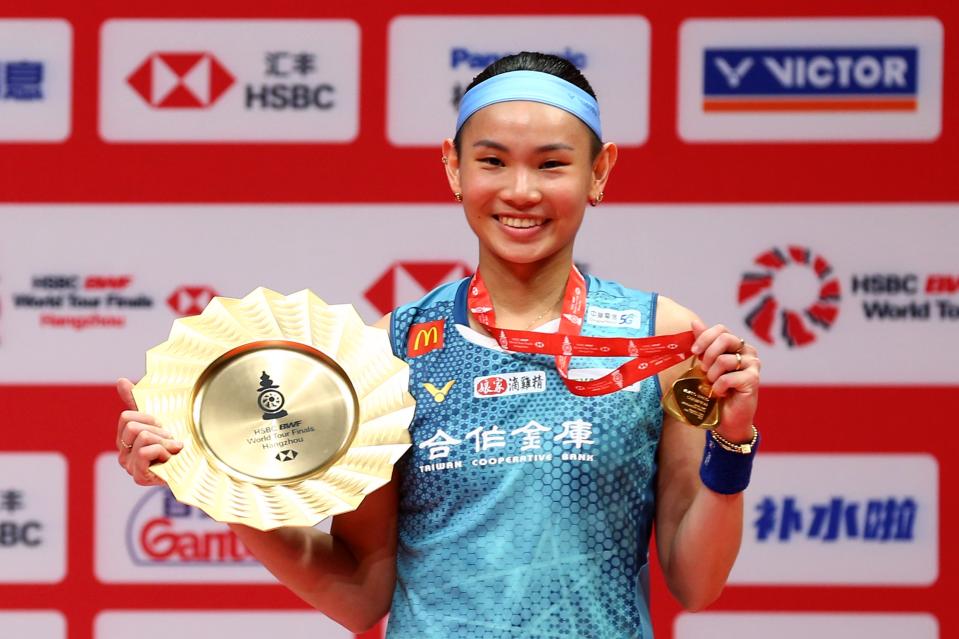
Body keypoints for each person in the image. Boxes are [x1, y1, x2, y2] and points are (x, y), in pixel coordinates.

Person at [115, 52, 761, 638]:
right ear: (452, 167)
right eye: (492, 160)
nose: (520, 191)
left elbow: (693, 581)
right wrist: (213, 482)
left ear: (600, 169)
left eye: (551, 163)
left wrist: (732, 442)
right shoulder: (389, 352)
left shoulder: (658, 337)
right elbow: (360, 593)